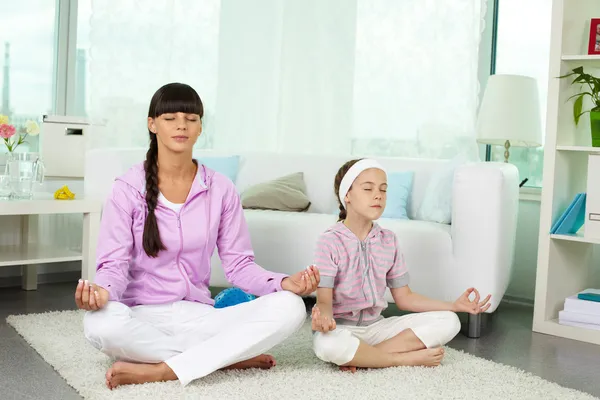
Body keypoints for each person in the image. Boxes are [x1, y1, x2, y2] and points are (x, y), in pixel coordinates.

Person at [75, 82, 320, 389]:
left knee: (291, 306)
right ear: (152, 124)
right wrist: (103, 292)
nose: (181, 125)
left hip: (198, 316)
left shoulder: (221, 189)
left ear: (200, 126)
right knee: (99, 324)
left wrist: (285, 283)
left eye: (191, 118)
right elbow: (113, 264)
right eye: (170, 118)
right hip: (140, 316)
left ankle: (163, 368)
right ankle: (226, 357)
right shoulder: (126, 189)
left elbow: (239, 266)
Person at [311, 158, 490, 372]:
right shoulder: (329, 240)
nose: (378, 195)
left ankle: (364, 356)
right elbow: (324, 299)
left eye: (383, 189)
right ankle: (400, 359)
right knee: (327, 345)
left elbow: (405, 299)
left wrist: (454, 306)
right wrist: (325, 318)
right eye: (368, 188)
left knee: (450, 321)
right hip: (341, 329)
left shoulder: (388, 240)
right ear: (346, 195)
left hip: (377, 327)